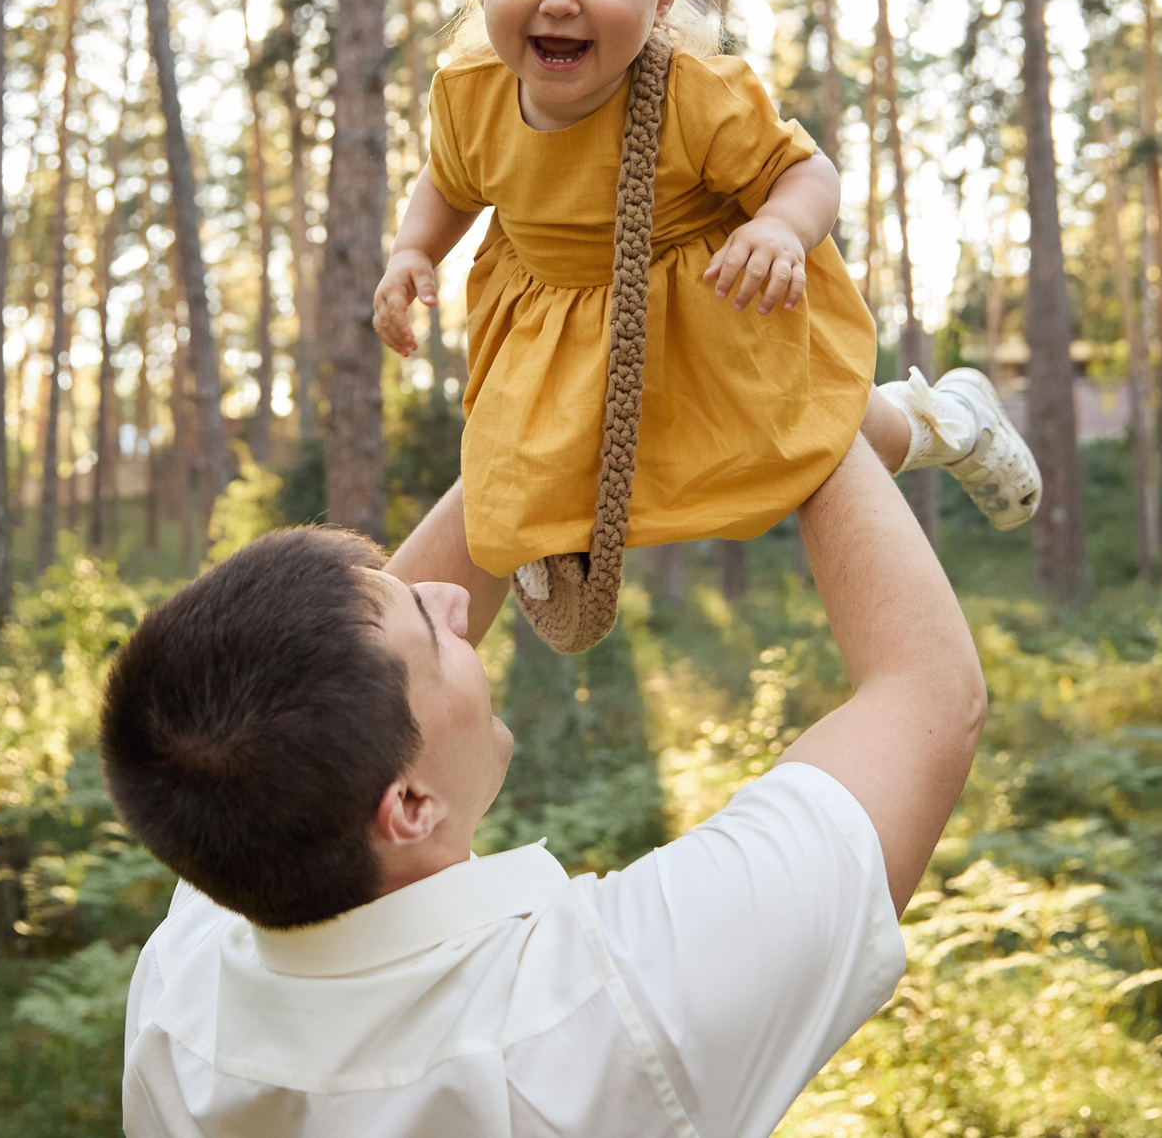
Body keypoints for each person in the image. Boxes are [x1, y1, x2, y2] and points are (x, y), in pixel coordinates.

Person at [100, 432, 988, 1137]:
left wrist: (537, 425)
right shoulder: (606, 1015)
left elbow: (339, 690)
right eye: (434, 631)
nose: (451, 600)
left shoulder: (187, 993)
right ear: (409, 807)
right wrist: (801, 398)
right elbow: (928, 696)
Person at [369, 0, 1037, 648]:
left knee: (815, 436)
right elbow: (449, 181)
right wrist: (413, 250)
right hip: (555, 336)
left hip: (709, 312)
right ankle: (506, 560)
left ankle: (947, 422)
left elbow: (806, 171)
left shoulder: (693, 97)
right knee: (512, 460)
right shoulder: (468, 95)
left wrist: (781, 229)